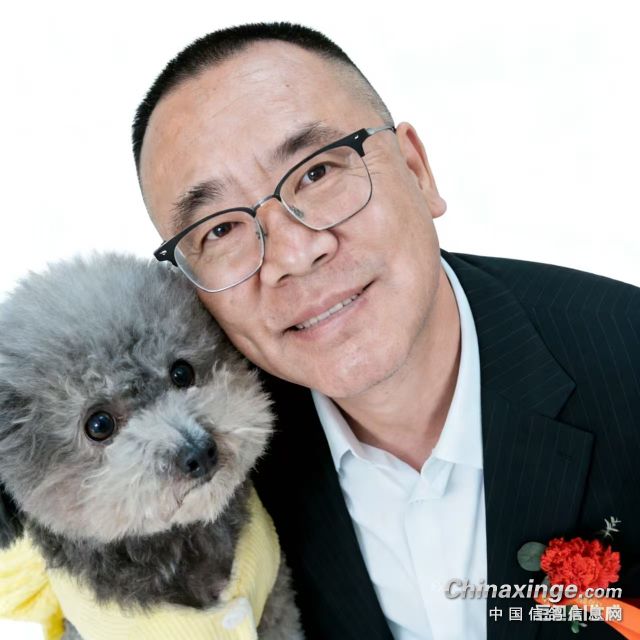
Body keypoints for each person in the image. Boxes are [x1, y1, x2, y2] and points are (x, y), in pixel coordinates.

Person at [132, 22, 639, 640]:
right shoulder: (204, 482)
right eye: (219, 230)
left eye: (317, 172)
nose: (294, 253)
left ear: (417, 171)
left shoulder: (628, 359)